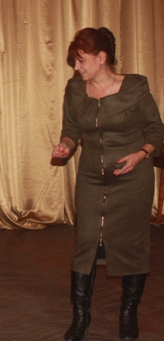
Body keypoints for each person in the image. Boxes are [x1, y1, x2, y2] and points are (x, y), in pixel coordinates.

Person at [51, 27, 164, 341]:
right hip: (91, 175)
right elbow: (71, 129)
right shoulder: (75, 89)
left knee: (131, 245)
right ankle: (80, 316)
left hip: (132, 176)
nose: (77, 67)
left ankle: (128, 314)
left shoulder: (135, 88)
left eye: (82, 60)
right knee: (86, 242)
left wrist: (141, 154)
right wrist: (65, 146)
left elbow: (156, 129)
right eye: (75, 61)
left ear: (102, 58)